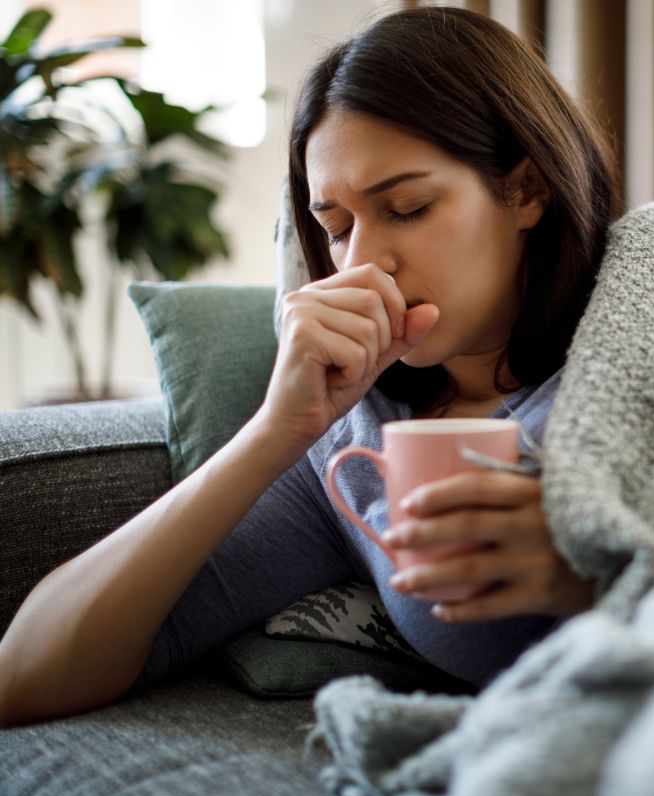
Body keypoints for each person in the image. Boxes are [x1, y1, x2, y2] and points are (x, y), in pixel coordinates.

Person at [0, 6, 615, 728]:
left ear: (527, 190)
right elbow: (24, 676)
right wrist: (274, 432)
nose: (362, 265)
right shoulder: (353, 448)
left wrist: (602, 576)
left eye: (409, 208)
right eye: (338, 229)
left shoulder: (647, 340)